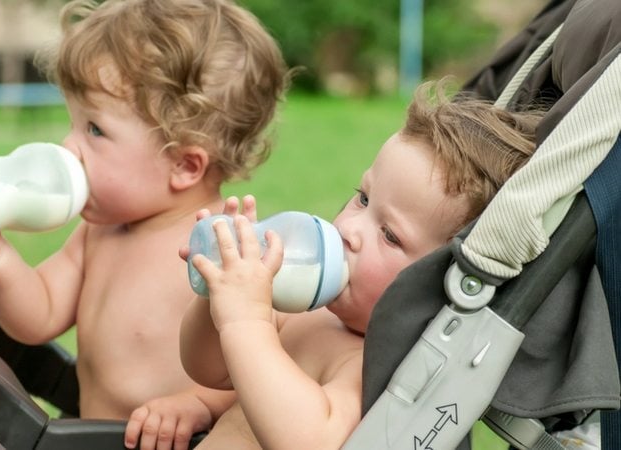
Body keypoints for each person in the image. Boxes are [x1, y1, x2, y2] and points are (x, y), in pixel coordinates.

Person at [0, 0, 289, 437]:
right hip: (83, 439)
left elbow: (272, 368)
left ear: (185, 166)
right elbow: (35, 317)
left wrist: (200, 404)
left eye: (95, 131)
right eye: (73, 122)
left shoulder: (223, 253)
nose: (68, 144)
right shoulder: (98, 232)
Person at [123, 80, 544, 449]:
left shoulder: (376, 363)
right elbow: (207, 368)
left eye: (390, 235)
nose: (351, 229)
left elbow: (314, 441)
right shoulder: (311, 315)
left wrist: (246, 323)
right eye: (363, 198)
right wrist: (218, 296)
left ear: (445, 283)